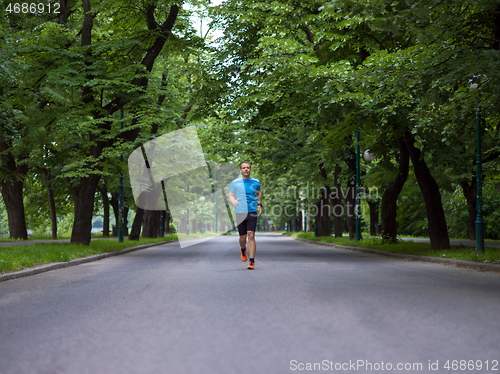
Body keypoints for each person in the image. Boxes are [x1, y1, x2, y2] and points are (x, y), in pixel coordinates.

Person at [228, 162, 262, 270]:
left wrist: (259, 204)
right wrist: (233, 201)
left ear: (250, 170)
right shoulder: (235, 182)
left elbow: (258, 193)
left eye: (247, 168)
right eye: (244, 168)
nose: (246, 169)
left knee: (251, 235)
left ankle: (251, 261)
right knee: (242, 237)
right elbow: (231, 195)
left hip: (252, 211)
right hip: (240, 211)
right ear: (241, 170)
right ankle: (243, 249)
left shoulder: (256, 182)